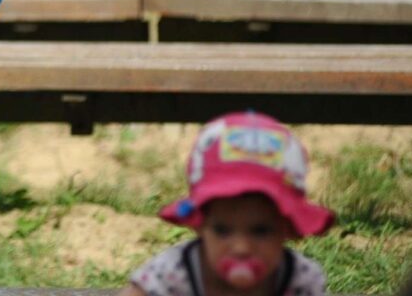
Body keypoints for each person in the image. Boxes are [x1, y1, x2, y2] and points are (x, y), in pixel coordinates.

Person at [120, 111, 334, 296]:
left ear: (287, 228)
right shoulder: (172, 274)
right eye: (222, 230)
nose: (241, 248)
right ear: (200, 225)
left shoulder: (299, 280)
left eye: (260, 231)